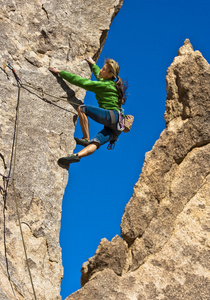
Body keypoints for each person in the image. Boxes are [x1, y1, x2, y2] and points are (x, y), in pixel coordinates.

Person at [48, 57, 128, 168]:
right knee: (96, 143)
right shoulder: (109, 84)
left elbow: (82, 82)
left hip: (112, 116)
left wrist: (60, 72)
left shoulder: (104, 85)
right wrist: (93, 64)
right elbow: (98, 75)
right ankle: (76, 156)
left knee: (82, 109)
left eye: (103, 69)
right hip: (116, 128)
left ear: (110, 75)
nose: (101, 70)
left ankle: (86, 138)